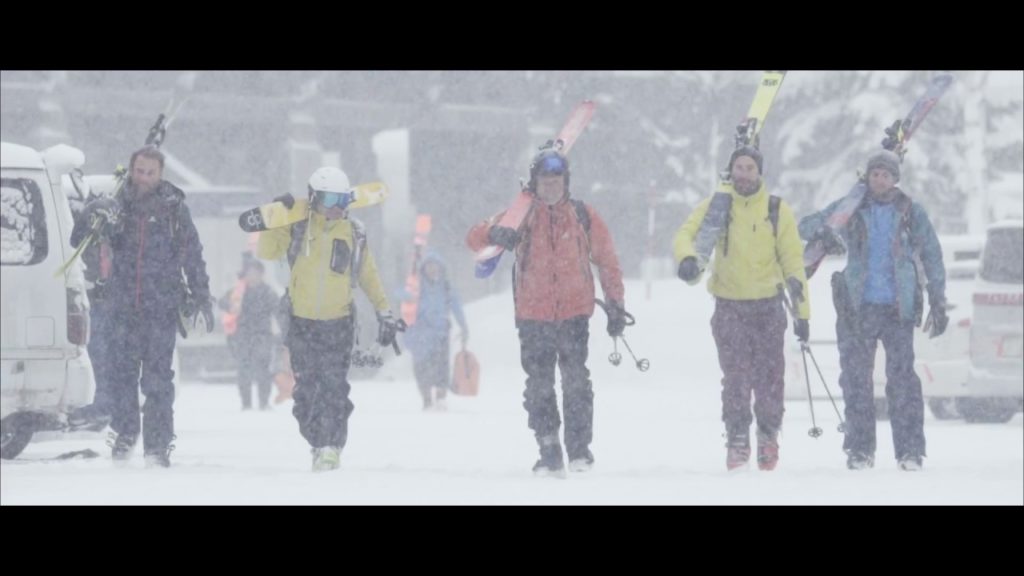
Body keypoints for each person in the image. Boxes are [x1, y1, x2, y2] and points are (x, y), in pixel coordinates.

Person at [466, 147, 625, 477]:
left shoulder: (584, 216)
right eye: (544, 181)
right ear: (534, 184)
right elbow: (473, 237)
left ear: (566, 182)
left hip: (574, 314)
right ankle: (549, 446)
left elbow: (607, 262)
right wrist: (494, 234)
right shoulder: (519, 216)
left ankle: (580, 450)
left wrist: (616, 305)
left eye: (556, 180)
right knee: (539, 385)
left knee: (576, 382)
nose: (550, 187)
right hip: (532, 317)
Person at [799, 149, 946, 471]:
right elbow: (805, 227)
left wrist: (938, 297)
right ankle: (859, 449)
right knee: (855, 381)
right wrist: (826, 231)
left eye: (886, 174)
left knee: (903, 382)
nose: (879, 179)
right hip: (857, 307)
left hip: (899, 308)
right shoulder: (852, 207)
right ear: (867, 176)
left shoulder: (910, 211)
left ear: (896, 179)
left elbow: (932, 254)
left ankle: (909, 451)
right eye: (875, 174)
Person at [71, 145, 213, 468]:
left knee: (158, 382)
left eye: (150, 172)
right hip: (121, 308)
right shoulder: (116, 204)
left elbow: (193, 255)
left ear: (161, 173)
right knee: (121, 377)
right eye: (139, 171)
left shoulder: (173, 208)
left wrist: (202, 297)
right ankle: (125, 432)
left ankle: (158, 445)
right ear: (131, 170)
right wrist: (92, 211)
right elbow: (77, 239)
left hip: (160, 309)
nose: (143, 177)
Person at [673, 145, 809, 472]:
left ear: (759, 173)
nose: (744, 174)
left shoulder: (777, 210)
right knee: (735, 377)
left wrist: (803, 314)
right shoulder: (717, 207)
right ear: (731, 172)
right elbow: (686, 235)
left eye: (750, 168)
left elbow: (793, 261)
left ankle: (767, 435)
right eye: (739, 168)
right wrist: (688, 261)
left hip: (768, 307)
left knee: (769, 377)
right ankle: (737, 438)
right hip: (729, 306)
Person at [257, 166, 399, 472]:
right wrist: (276, 219)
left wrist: (384, 311)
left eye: (343, 199)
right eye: (331, 199)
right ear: (313, 198)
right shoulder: (297, 228)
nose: (337, 207)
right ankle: (317, 441)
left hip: (339, 323)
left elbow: (368, 275)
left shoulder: (354, 234)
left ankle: (331, 445)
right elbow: (267, 252)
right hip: (301, 323)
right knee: (307, 390)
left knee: (335, 387)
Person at [400, 252, 468, 411]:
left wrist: (464, 326)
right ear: (423, 268)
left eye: (435, 265)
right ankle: (426, 399)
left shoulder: (446, 286)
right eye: (429, 266)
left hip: (440, 334)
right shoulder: (416, 286)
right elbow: (405, 306)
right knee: (421, 368)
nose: (432, 269)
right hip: (420, 336)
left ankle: (441, 398)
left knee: (442, 367)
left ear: (440, 267)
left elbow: (456, 306)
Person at [219, 256, 279, 411]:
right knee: (243, 368)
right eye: (249, 273)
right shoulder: (238, 292)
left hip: (263, 335)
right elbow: (222, 302)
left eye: (255, 273)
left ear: (261, 274)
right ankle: (246, 403)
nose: (252, 276)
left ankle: (264, 402)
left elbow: (279, 310)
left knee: (263, 369)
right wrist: (230, 306)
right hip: (243, 335)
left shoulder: (267, 292)